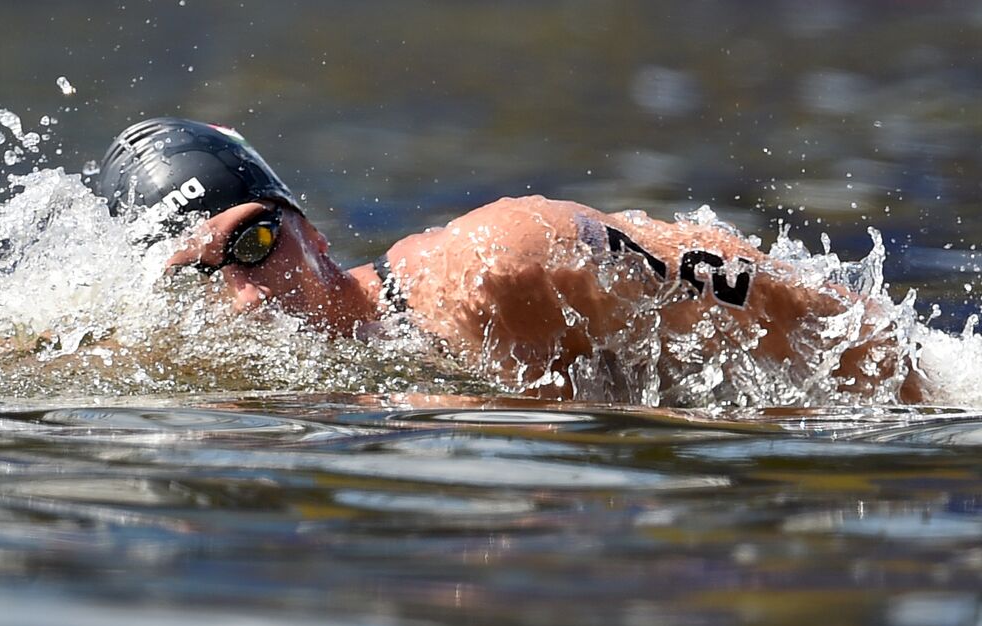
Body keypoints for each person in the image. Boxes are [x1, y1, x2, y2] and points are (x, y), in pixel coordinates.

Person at [92, 117, 927, 404]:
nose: (243, 298)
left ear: (309, 232)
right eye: (203, 276)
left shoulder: (494, 270)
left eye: (254, 244)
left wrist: (915, 405)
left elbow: (771, 298)